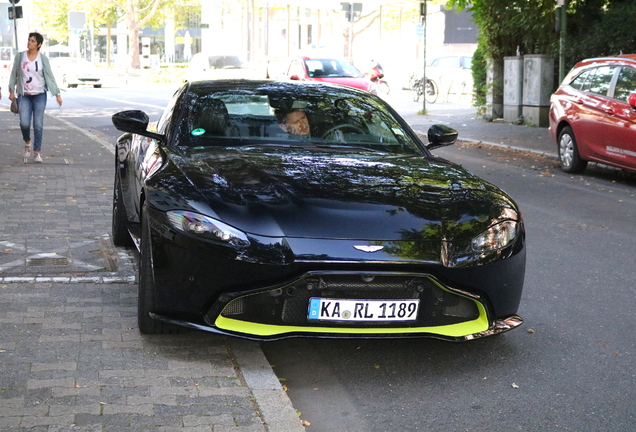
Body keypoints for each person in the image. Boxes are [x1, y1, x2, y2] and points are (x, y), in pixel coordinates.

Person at [8, 32, 63, 163]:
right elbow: (14, 74)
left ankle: (37, 152)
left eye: (33, 41)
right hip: (24, 95)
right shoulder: (20, 57)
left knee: (38, 124)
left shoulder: (43, 59)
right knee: (24, 123)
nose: (29, 43)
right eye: (29, 40)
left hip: (39, 95)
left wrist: (57, 94)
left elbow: (49, 76)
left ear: (39, 44)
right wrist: (11, 90)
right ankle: (27, 143)